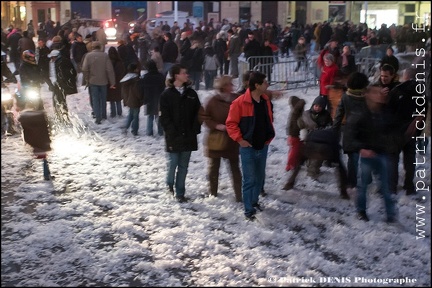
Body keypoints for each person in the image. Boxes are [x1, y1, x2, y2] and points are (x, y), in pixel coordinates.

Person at [226, 71, 275, 221]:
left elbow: (268, 120)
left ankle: (254, 202)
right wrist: (240, 140)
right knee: (249, 179)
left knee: (259, 177)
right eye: (265, 82)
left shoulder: (265, 100)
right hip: (248, 147)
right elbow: (231, 124)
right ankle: (248, 210)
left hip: (263, 145)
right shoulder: (239, 103)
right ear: (257, 85)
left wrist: (268, 137)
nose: (267, 84)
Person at [352, 84, 397, 223]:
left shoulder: (385, 111)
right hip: (366, 155)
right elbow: (351, 135)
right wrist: (361, 149)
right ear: (369, 95)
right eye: (377, 93)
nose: (380, 95)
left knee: (385, 185)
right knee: (363, 185)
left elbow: (391, 129)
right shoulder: (360, 113)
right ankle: (361, 211)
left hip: (382, 153)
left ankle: (391, 215)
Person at [159, 64, 203, 203]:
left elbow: (199, 113)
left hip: (189, 135)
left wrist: (195, 128)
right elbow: (164, 117)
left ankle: (180, 192)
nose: (187, 75)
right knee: (173, 163)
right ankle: (169, 183)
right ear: (176, 75)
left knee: (183, 166)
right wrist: (171, 131)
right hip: (173, 136)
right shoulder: (166, 95)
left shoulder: (191, 94)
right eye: (184, 72)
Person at [199, 75, 242, 202]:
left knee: (235, 167)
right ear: (223, 87)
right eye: (230, 84)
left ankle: (239, 194)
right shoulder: (212, 101)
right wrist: (218, 126)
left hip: (232, 140)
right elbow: (205, 118)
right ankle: (213, 192)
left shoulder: (237, 99)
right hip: (216, 139)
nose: (232, 87)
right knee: (214, 167)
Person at [387, 68, 428, 195]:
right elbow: (423, 114)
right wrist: (417, 132)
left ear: (404, 76)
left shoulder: (396, 91)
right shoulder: (421, 93)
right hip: (412, 131)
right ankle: (409, 186)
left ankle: (392, 187)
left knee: (393, 160)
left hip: (396, 131)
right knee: (410, 161)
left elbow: (389, 111)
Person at [333, 72, 370, 190]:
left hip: (350, 131)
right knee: (366, 158)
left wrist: (334, 131)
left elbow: (338, 115)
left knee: (352, 159)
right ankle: (367, 180)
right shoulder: (367, 97)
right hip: (366, 131)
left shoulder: (345, 96)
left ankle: (352, 182)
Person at [298, 96, 333, 179]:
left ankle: (312, 172)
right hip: (308, 138)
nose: (317, 108)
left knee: (317, 157)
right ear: (313, 105)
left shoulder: (326, 115)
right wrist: (303, 133)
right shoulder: (306, 114)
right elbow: (300, 124)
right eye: (316, 106)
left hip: (320, 140)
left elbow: (330, 126)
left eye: (320, 106)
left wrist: (324, 132)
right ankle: (311, 169)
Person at [81, 41, 116, 124]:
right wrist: (112, 82)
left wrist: (87, 78)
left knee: (95, 99)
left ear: (92, 47)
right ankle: (104, 115)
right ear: (100, 47)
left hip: (93, 81)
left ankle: (98, 117)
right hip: (103, 81)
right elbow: (109, 70)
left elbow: (85, 69)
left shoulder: (88, 56)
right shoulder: (105, 55)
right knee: (103, 99)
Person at [17, 100, 52, 181]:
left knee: (42, 158)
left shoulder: (25, 119)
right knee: (44, 158)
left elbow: (26, 132)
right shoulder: (40, 116)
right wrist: (48, 140)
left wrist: (29, 142)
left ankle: (46, 174)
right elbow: (45, 129)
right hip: (42, 141)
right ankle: (46, 175)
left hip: (34, 141)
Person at [47, 49, 77, 125]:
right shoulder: (60, 62)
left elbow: (66, 74)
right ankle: (62, 117)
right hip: (60, 85)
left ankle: (62, 117)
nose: (51, 59)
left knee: (60, 101)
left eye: (52, 57)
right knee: (60, 101)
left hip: (61, 85)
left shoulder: (61, 63)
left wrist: (61, 82)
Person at [142, 59, 165, 137]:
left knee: (150, 116)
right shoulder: (160, 76)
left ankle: (149, 132)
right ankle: (160, 131)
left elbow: (143, 88)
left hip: (149, 99)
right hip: (159, 98)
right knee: (159, 115)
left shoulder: (146, 77)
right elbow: (163, 87)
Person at [120, 63, 144, 136]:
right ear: (135, 69)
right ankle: (135, 130)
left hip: (128, 99)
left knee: (131, 114)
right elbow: (137, 91)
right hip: (135, 99)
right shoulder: (136, 79)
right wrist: (141, 98)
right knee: (136, 116)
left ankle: (126, 128)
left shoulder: (125, 78)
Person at [285, 95, 306, 171]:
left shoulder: (295, 113)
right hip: (294, 135)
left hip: (293, 135)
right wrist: (302, 101)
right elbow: (299, 105)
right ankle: (290, 165)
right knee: (294, 151)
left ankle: (295, 163)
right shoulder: (295, 112)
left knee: (295, 150)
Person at [107, 46, 126, 118]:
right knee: (118, 98)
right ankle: (119, 112)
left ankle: (113, 113)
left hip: (110, 82)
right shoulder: (120, 62)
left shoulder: (108, 62)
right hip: (118, 82)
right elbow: (122, 72)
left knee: (112, 99)